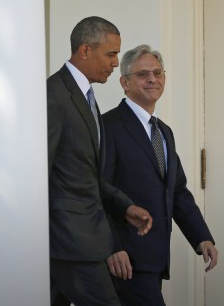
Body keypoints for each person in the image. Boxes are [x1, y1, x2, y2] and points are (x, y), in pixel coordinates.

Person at [47, 17, 153, 306]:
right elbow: (40, 172)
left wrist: (124, 206)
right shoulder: (54, 95)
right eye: (110, 54)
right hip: (70, 241)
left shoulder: (86, 98)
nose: (115, 62)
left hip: (79, 240)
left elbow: (85, 174)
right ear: (84, 51)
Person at [102, 44, 218, 306]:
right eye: (143, 74)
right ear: (125, 82)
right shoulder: (109, 127)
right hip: (124, 261)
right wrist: (112, 247)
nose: (152, 79)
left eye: (157, 73)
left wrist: (202, 237)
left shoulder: (163, 131)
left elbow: (177, 191)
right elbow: (99, 190)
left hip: (155, 259)